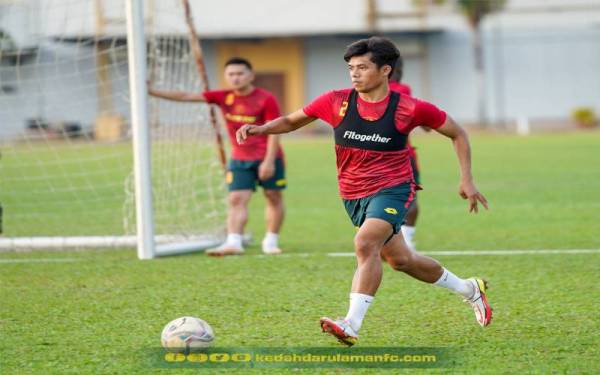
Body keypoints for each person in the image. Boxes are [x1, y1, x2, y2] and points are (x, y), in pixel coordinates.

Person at [236, 37, 491, 346]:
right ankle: (469, 289)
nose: (354, 74)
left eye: (362, 67)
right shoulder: (335, 101)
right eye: (350, 68)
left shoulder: (409, 108)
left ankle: (351, 324)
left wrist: (467, 179)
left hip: (394, 188)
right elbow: (292, 121)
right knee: (401, 261)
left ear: (385, 70)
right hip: (352, 193)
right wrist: (262, 129)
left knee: (365, 242)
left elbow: (457, 133)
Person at [149, 57, 285, 256]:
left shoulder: (266, 98)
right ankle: (233, 242)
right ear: (225, 77)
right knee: (236, 198)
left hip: (268, 157)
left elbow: (275, 130)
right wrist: (152, 91)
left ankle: (271, 240)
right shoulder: (223, 97)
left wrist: (269, 161)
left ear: (251, 76)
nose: (235, 78)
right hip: (239, 159)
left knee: (273, 197)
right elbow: (186, 96)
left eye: (240, 74)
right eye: (231, 74)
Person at [388, 59, 426, 251]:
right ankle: (406, 241)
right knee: (410, 199)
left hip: (381, 156)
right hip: (402, 155)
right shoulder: (402, 89)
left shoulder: (366, 92)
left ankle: (402, 241)